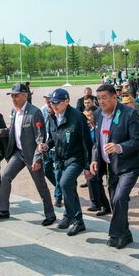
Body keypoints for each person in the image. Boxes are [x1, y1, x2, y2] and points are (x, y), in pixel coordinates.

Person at [0, 83, 56, 226]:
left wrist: (37, 159)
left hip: (32, 155)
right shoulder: (14, 111)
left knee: (41, 185)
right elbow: (13, 131)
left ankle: (50, 214)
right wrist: (2, 132)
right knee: (5, 176)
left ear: (25, 96)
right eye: (12, 96)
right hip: (17, 154)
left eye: (16, 95)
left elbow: (40, 138)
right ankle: (3, 210)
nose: (13, 98)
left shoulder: (35, 112)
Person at [90, 84, 139, 249]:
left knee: (120, 197)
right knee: (116, 202)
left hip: (129, 165)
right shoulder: (98, 114)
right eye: (98, 98)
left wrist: (119, 147)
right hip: (110, 167)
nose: (101, 102)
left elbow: (137, 140)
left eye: (104, 98)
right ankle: (126, 234)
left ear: (115, 97)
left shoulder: (129, 113)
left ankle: (115, 233)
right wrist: (94, 159)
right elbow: (97, 142)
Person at [36, 88, 92, 236]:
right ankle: (78, 222)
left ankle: (70, 216)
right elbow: (52, 139)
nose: (54, 106)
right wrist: (46, 145)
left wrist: (87, 166)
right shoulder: (52, 117)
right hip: (60, 159)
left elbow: (87, 143)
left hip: (76, 158)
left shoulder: (77, 118)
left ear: (67, 101)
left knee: (65, 183)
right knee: (69, 188)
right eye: (52, 103)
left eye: (57, 103)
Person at [84, 105, 111, 215]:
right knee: (94, 181)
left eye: (89, 116)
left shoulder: (100, 126)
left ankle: (100, 205)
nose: (87, 118)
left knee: (95, 180)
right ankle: (102, 205)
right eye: (86, 116)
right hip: (93, 158)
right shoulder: (88, 127)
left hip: (103, 158)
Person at [121, 95, 139, 195]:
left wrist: (133, 140)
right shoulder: (121, 116)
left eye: (127, 104)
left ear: (132, 104)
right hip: (125, 145)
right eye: (123, 104)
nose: (125, 106)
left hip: (137, 144)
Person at [40, 92, 62, 206]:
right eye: (47, 101)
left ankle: (58, 196)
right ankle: (60, 187)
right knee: (46, 170)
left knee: (58, 172)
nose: (49, 103)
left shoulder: (61, 114)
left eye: (51, 101)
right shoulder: (44, 111)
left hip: (58, 150)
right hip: (48, 146)